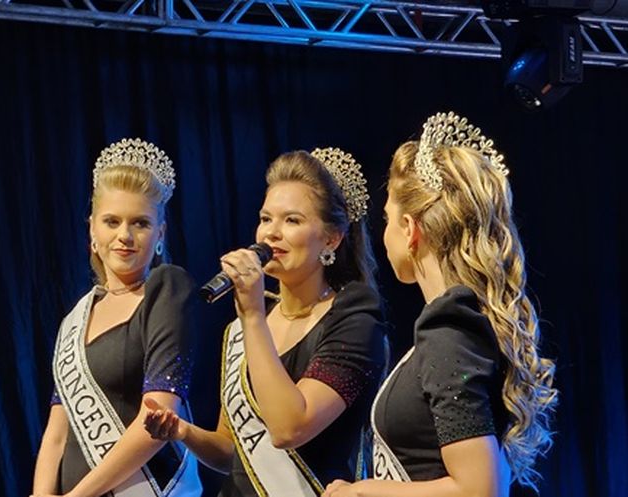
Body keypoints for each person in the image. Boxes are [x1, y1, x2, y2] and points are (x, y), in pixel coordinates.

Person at [322, 112, 558, 497]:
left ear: (410, 229)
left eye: (387, 219)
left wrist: (363, 491)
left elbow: (480, 489)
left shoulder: (448, 332)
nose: (384, 234)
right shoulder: (460, 324)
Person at [145, 148, 387, 496]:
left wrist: (253, 315)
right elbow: (232, 451)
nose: (271, 234)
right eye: (265, 218)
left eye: (292, 221)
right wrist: (184, 432)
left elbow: (290, 428)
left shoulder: (354, 318)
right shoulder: (242, 328)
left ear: (331, 238)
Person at [32, 138, 202, 497]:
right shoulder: (76, 317)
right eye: (112, 221)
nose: (124, 235)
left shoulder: (167, 290)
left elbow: (157, 417)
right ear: (92, 230)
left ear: (160, 234)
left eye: (140, 223)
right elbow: (58, 431)